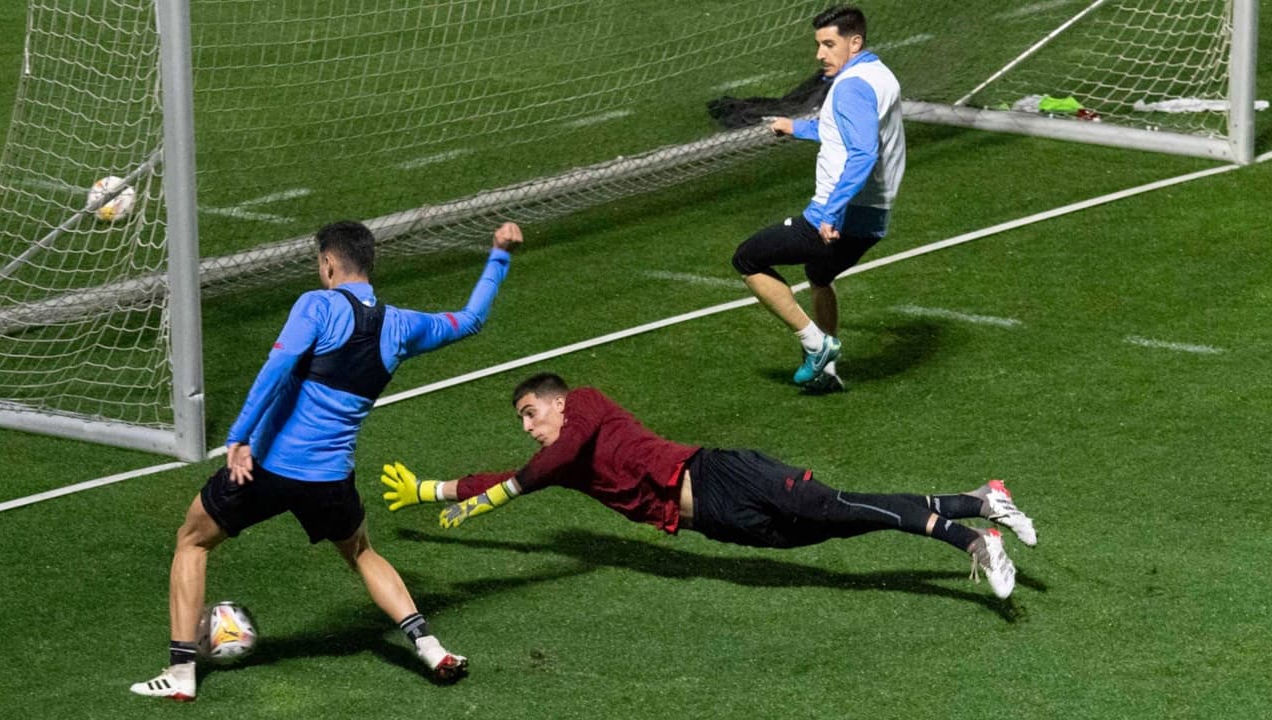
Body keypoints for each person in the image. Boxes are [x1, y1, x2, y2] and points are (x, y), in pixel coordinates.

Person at [131, 220, 523, 701]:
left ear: (329, 263)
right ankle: (430, 646)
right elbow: (472, 319)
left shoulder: (316, 305)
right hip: (331, 479)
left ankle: (181, 672)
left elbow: (277, 366)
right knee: (361, 553)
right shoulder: (403, 325)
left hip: (268, 468)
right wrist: (499, 254)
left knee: (192, 541)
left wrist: (240, 436)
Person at [381, 373, 1035, 600]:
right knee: (843, 522)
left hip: (719, 472)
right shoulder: (560, 462)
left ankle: (973, 541)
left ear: (556, 402)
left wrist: (496, 499)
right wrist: (432, 490)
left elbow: (538, 469)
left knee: (839, 506)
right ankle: (980, 499)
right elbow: (506, 476)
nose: (528, 428)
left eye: (530, 414)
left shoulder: (586, 405)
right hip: (715, 520)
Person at [732, 5, 905, 391]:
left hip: (837, 214)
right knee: (819, 274)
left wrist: (831, 212)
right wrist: (797, 128)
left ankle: (817, 344)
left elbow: (862, 153)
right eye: (819, 45)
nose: (820, 54)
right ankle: (827, 374)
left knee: (747, 258)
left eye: (829, 44)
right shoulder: (879, 75)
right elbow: (845, 131)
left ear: (854, 42)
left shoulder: (850, 87)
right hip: (874, 218)